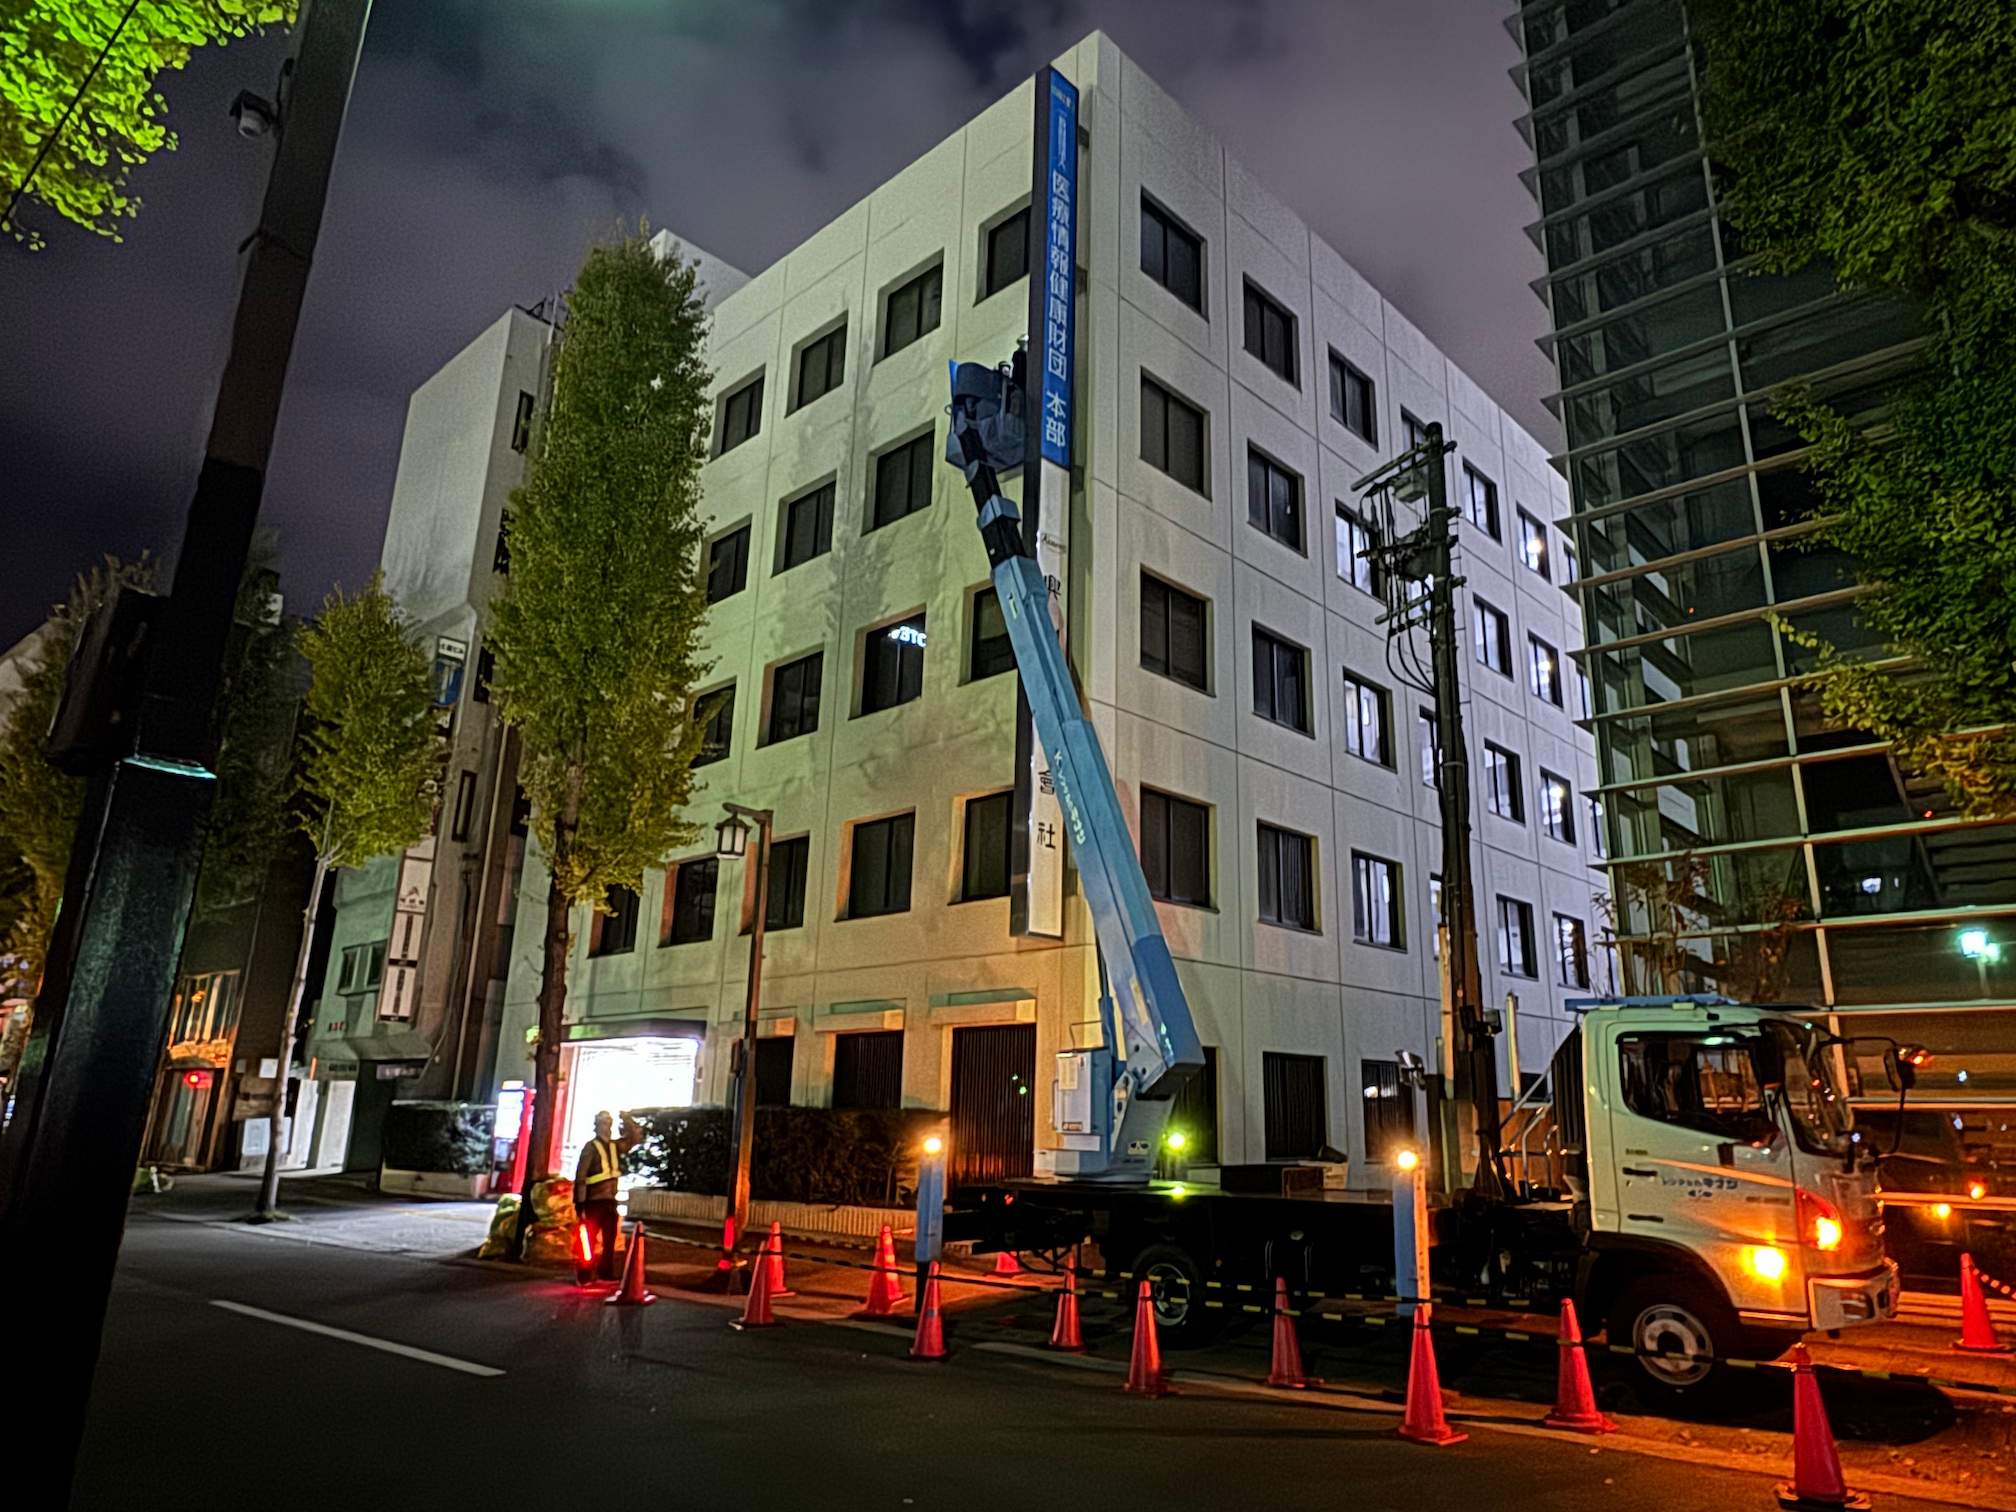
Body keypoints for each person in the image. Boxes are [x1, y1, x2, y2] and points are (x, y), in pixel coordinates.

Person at [573, 1110, 628, 1281]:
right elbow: (581, 1176)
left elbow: (634, 1139)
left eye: (609, 1123)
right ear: (597, 1126)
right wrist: (580, 1202)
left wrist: (627, 1120)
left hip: (610, 1200)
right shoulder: (591, 1147)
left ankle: (606, 1271)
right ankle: (584, 1272)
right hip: (593, 1201)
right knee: (588, 1238)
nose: (607, 1127)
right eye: (604, 1123)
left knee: (609, 1239)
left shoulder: (614, 1146)